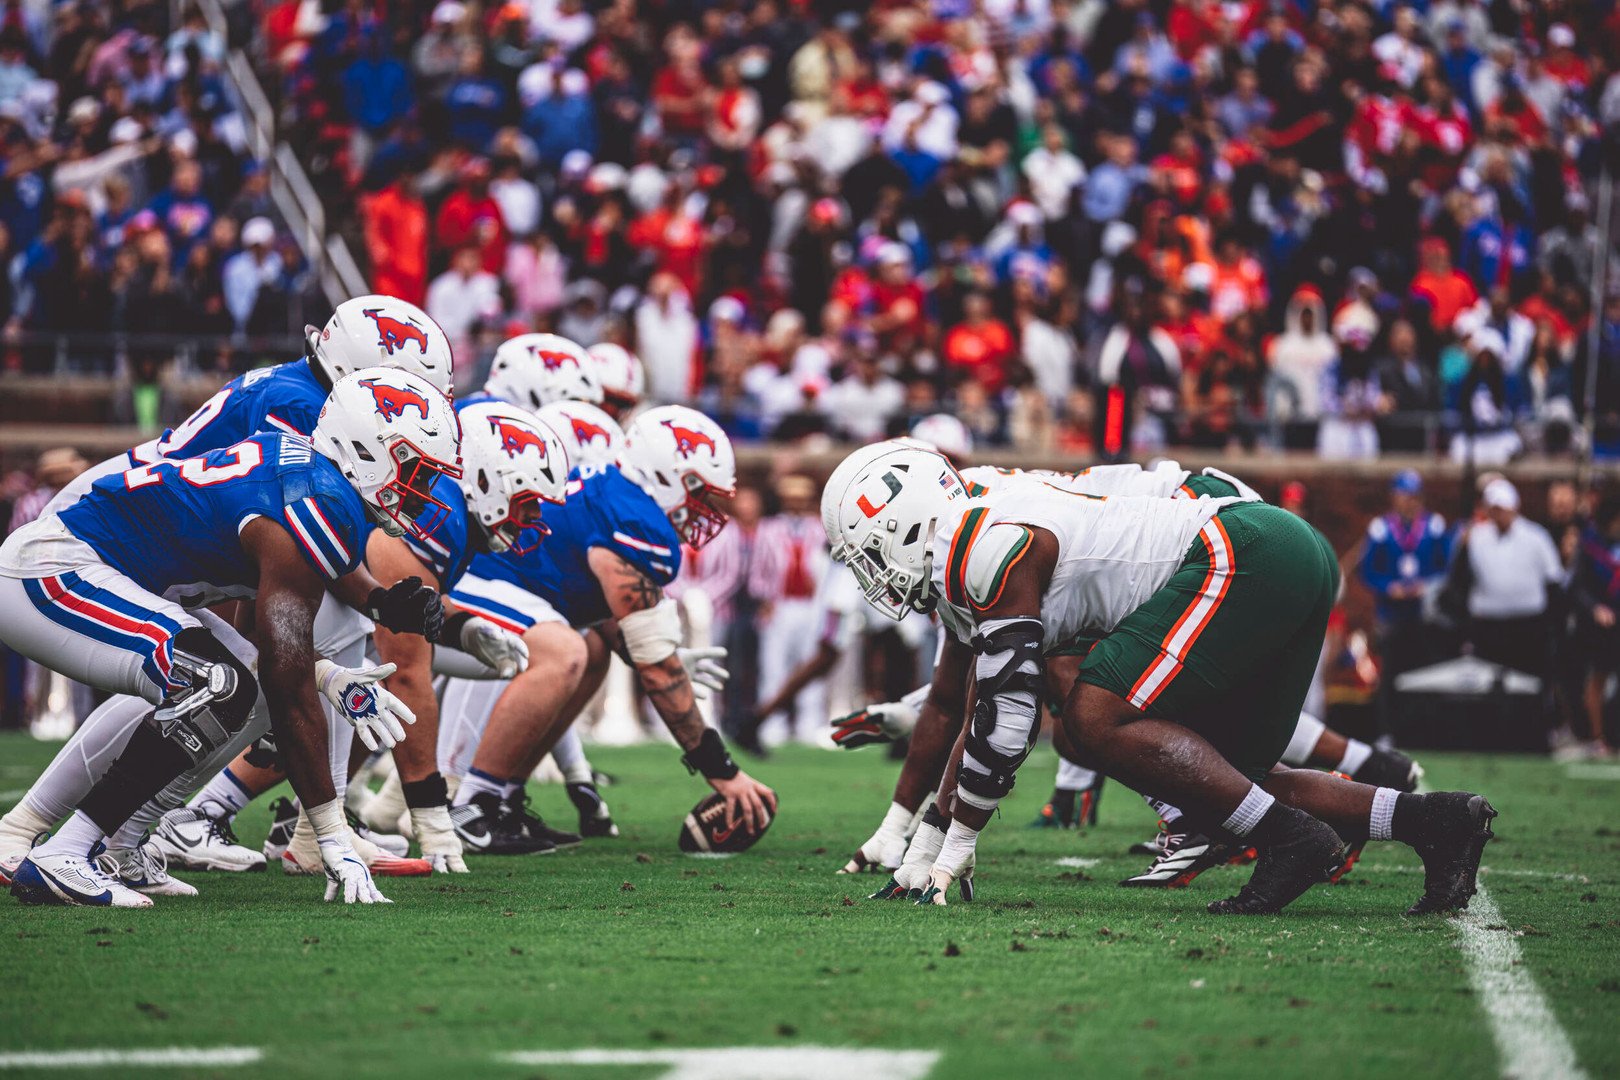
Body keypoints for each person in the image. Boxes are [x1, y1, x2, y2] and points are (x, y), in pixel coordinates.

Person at [827, 442, 1494, 915]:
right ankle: (1434, 822)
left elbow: (1006, 715)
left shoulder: (983, 545)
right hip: (1277, 552)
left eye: (866, 553)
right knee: (1227, 778)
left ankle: (1287, 839)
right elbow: (972, 700)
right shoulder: (973, 526)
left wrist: (958, 841)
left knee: (1090, 718)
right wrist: (930, 834)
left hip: (1243, 551)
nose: (869, 575)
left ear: (902, 520)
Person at [0, 368, 460, 907]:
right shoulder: (316, 499)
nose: (424, 490)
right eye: (418, 471)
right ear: (366, 450)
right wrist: (331, 833)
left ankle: (120, 846)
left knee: (242, 689)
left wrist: (378, 603)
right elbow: (287, 682)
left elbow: (276, 653)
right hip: (56, 568)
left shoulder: (319, 482)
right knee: (216, 684)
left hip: (109, 573)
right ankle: (67, 851)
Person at [438, 406, 774, 852]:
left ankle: (504, 797)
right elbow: (656, 671)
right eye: (699, 494)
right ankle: (473, 805)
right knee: (564, 652)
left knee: (592, 653)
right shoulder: (637, 519)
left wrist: (660, 654)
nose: (704, 511)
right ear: (673, 478)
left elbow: (613, 623)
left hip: (501, 585)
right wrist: (722, 771)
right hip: (467, 586)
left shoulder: (618, 491)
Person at [1358, 469, 1451, 738]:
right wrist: (1390, 587)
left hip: (1424, 612)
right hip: (1392, 613)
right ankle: (1387, 730)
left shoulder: (1434, 526)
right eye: (1404, 495)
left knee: (1423, 671)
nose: (1409, 501)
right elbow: (1368, 572)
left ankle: (1422, 730)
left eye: (1414, 496)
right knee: (1389, 674)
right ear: (1394, 498)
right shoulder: (1381, 529)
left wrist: (1426, 586)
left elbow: (1445, 568)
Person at [740, 474, 831, 750]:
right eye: (792, 499)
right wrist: (764, 599)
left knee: (810, 665)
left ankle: (809, 724)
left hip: (811, 606)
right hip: (780, 604)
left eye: (801, 499)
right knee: (774, 666)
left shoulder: (819, 529)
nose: (796, 504)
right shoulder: (769, 529)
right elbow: (757, 570)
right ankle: (772, 726)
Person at [1456, 478, 1564, 682]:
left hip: (1528, 626)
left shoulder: (1536, 536)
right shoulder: (1476, 537)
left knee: (1528, 683)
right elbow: (1460, 581)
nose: (1500, 514)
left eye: (1503, 508)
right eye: (1495, 508)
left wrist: (1552, 624)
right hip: (1488, 626)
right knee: (1489, 684)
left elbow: (1554, 581)